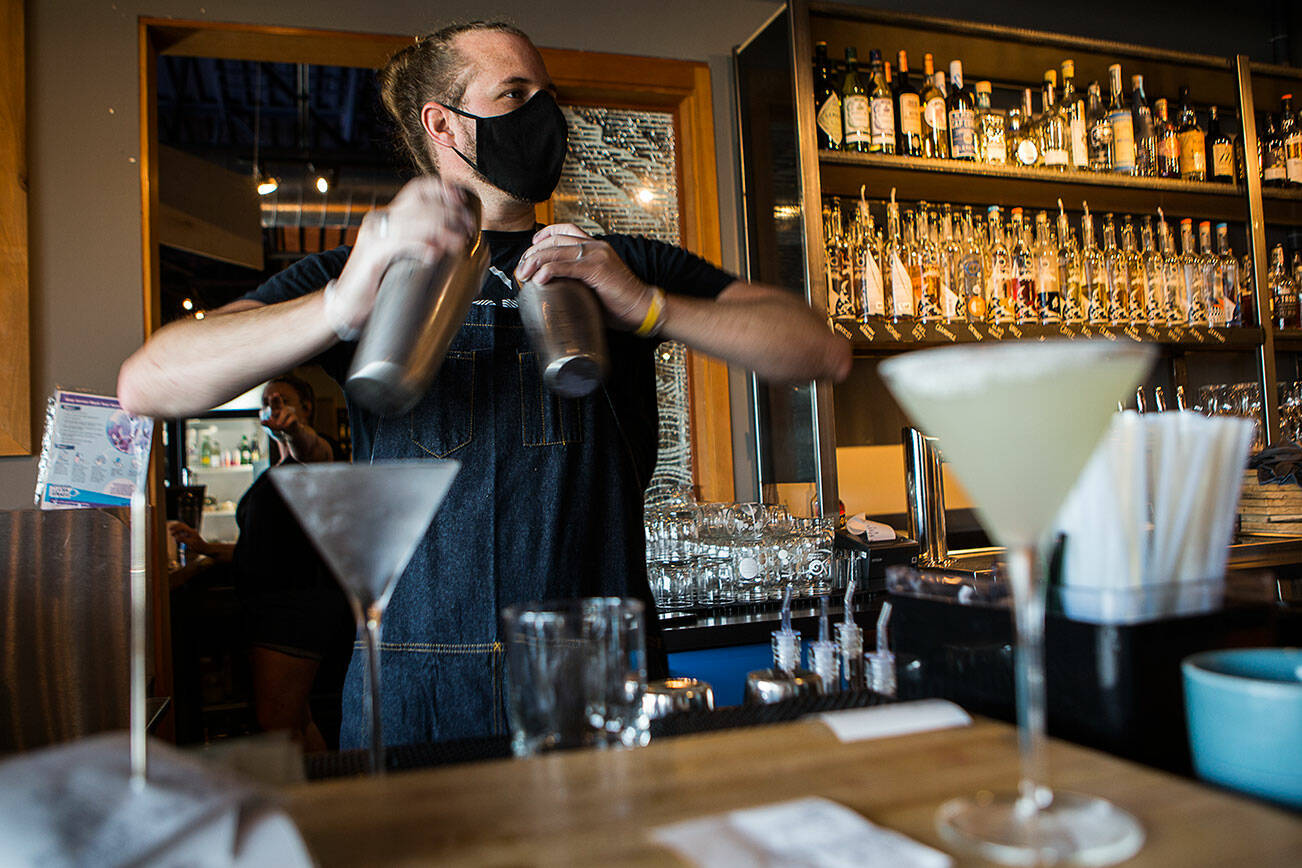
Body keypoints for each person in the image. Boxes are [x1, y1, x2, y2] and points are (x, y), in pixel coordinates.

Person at [118, 21, 851, 749]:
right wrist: (340, 306)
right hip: (414, 687)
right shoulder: (364, 273)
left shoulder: (616, 264)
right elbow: (149, 381)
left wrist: (649, 306)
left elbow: (820, 350)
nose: (545, 116)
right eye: (515, 93)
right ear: (444, 124)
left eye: (547, 95)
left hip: (593, 673)